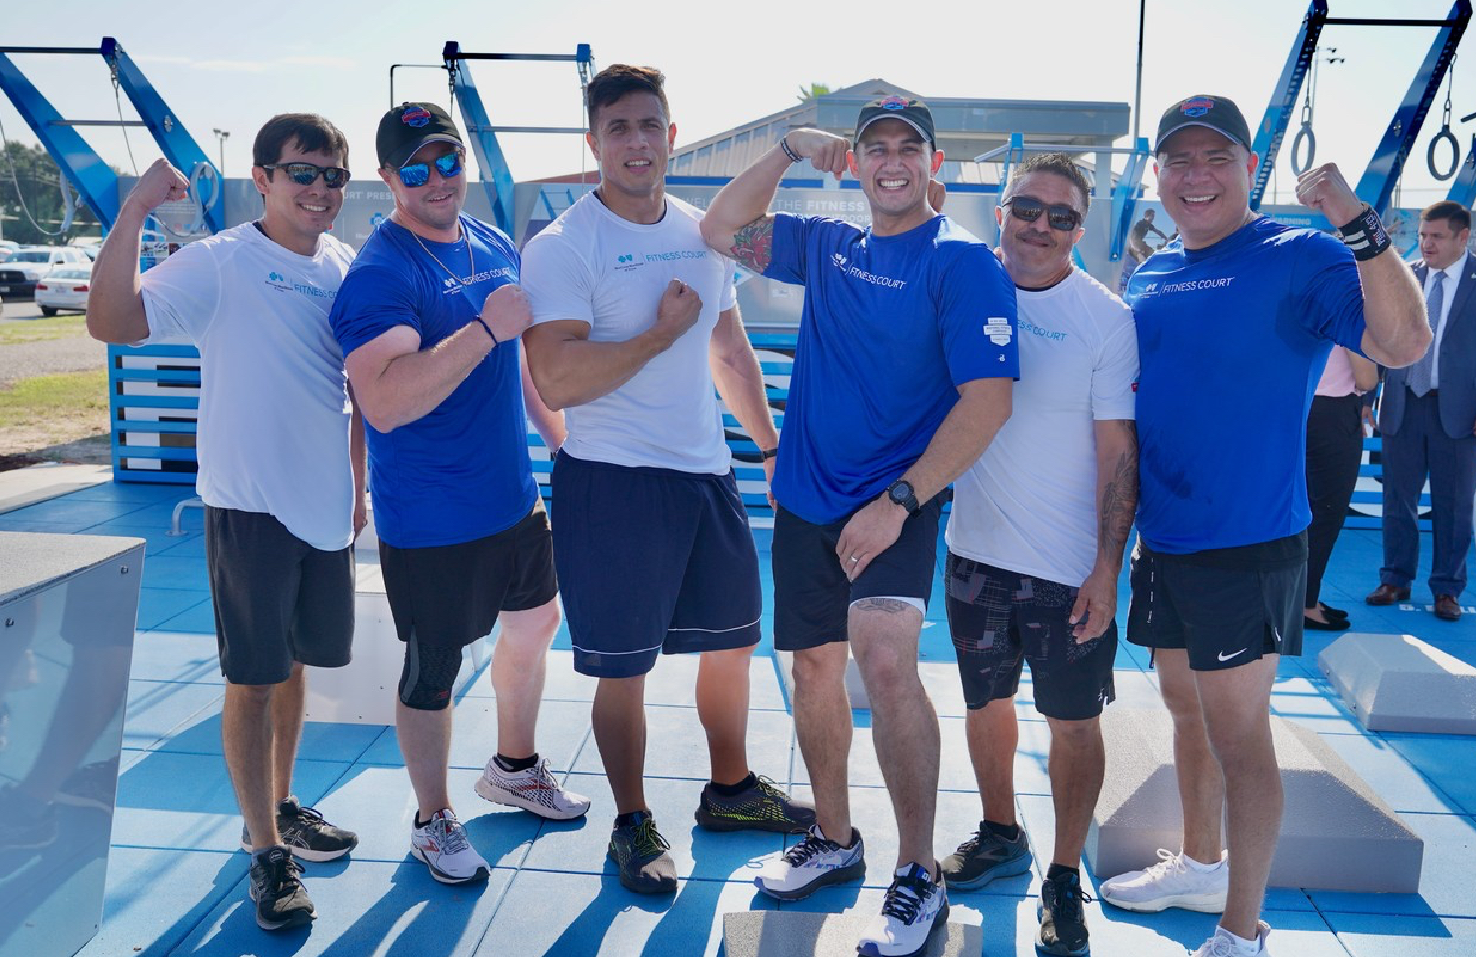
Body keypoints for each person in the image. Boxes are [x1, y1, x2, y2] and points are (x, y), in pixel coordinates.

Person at [1109, 95, 1427, 957]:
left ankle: (1242, 930)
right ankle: (1199, 863)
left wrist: (1357, 221)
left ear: (1251, 168)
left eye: (1217, 157)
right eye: (1180, 160)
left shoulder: (1299, 254)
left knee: (1241, 737)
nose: (1196, 175)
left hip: (1248, 544)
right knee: (1184, 710)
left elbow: (1403, 343)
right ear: (1159, 174)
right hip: (1164, 540)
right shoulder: (1152, 273)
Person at [701, 96, 1019, 957]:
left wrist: (900, 502)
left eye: (909, 147)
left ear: (934, 164)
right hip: (808, 497)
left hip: (896, 503)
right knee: (812, 669)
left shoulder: (961, 263)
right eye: (875, 146)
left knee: (884, 663)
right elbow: (719, 229)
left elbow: (988, 401)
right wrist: (786, 149)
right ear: (856, 161)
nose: (891, 160)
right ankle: (835, 837)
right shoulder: (827, 244)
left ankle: (918, 870)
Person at [520, 64, 813, 896]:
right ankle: (632, 820)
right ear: (594, 142)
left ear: (672, 136)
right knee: (625, 666)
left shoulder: (702, 232)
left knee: (733, 642)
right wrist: (656, 334)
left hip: (705, 475)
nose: (636, 142)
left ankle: (730, 789)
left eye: (649, 124)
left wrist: (767, 446)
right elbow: (558, 380)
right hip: (613, 483)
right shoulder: (564, 246)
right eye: (618, 127)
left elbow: (728, 348)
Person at [87, 114, 366, 931]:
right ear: (264, 177)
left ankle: (279, 805)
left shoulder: (344, 265)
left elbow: (355, 388)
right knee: (252, 677)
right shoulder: (221, 261)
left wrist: (356, 488)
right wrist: (135, 209)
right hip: (251, 509)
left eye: (333, 175)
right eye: (302, 172)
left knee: (295, 664)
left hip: (324, 511)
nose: (319, 188)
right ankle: (266, 853)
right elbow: (112, 321)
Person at [329, 102, 589, 887]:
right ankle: (431, 816)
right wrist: (482, 328)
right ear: (388, 178)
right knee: (433, 668)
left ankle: (514, 766)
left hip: (512, 497)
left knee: (537, 621)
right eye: (416, 168)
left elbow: (516, 360)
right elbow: (384, 400)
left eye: (448, 160)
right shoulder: (382, 272)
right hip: (432, 518)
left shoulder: (488, 240)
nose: (437, 179)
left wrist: (561, 439)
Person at [937, 152, 1138, 957]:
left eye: (1061, 216)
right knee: (985, 704)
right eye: (1027, 208)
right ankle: (1001, 831)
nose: (1041, 226)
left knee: (1073, 723)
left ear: (1080, 230)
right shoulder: (964, 286)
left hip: (1067, 569)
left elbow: (1118, 452)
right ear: (1001, 212)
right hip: (973, 554)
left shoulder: (1104, 318)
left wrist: (1106, 568)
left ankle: (1062, 874)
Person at [1367, 201, 1476, 622]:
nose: (1427, 244)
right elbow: (1379, 337)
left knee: (1454, 506)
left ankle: (1447, 588)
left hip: (1459, 412)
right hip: (1402, 405)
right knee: (1398, 499)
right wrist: (1366, 397)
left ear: (1463, 237)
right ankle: (1395, 578)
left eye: (1437, 237)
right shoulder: (1405, 278)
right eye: (1424, 235)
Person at [1304, 347, 1378, 631]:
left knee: (1298, 511)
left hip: (1296, 406)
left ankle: (1298, 598)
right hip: (1332, 413)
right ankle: (1304, 603)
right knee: (1326, 512)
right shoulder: (1347, 315)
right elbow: (1366, 378)